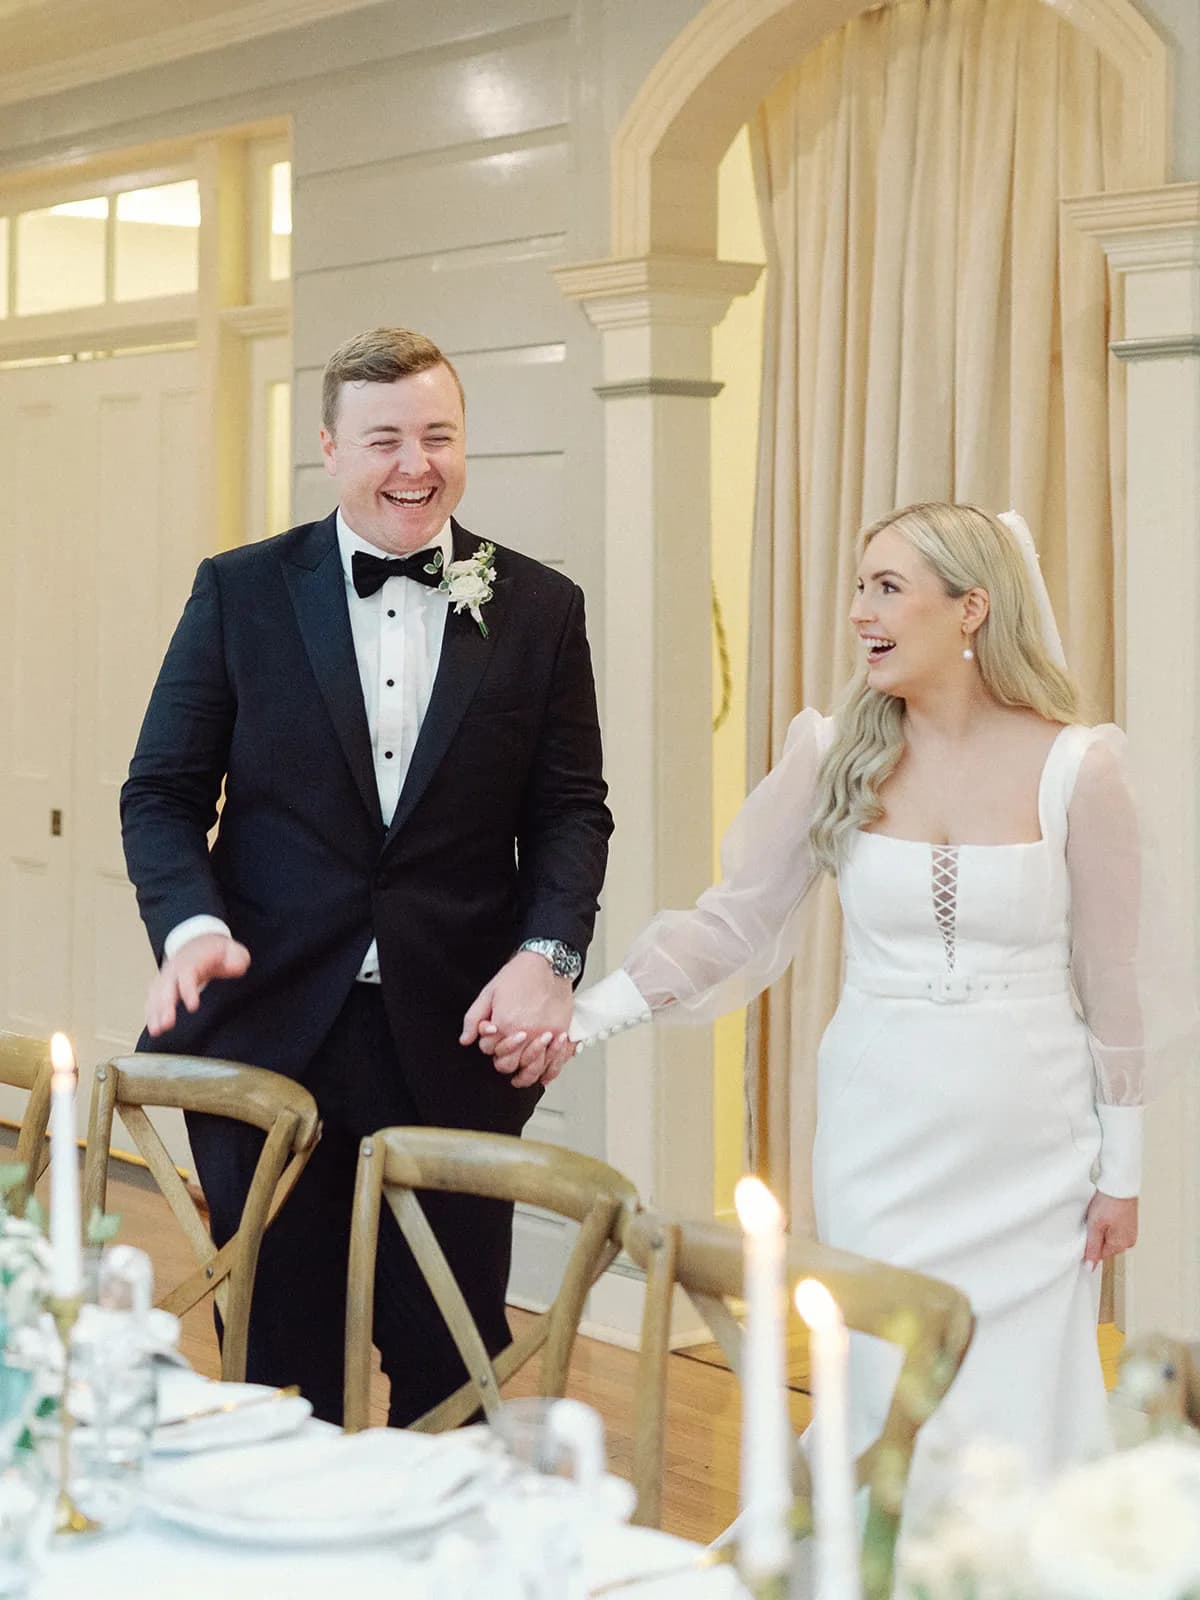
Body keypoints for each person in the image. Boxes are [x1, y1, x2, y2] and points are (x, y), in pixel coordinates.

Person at [522, 501, 1193, 1519]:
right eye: (858, 585)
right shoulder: (834, 750)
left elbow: (1116, 984)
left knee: (1019, 1396)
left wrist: (1123, 1173)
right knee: (880, 1376)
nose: (857, 612)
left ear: (972, 609)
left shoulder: (1078, 766)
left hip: (1035, 1149)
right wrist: (583, 1017)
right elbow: (732, 923)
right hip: (882, 1137)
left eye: (887, 588)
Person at [121, 326, 612, 1426]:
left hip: (453, 1040)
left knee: (453, 1363)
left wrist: (551, 955)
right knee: (281, 1365)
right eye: (385, 438)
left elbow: (572, 810)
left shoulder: (539, 607)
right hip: (269, 1032)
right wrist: (190, 926)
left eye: (439, 435)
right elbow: (161, 791)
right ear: (331, 448)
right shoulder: (241, 592)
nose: (415, 464)